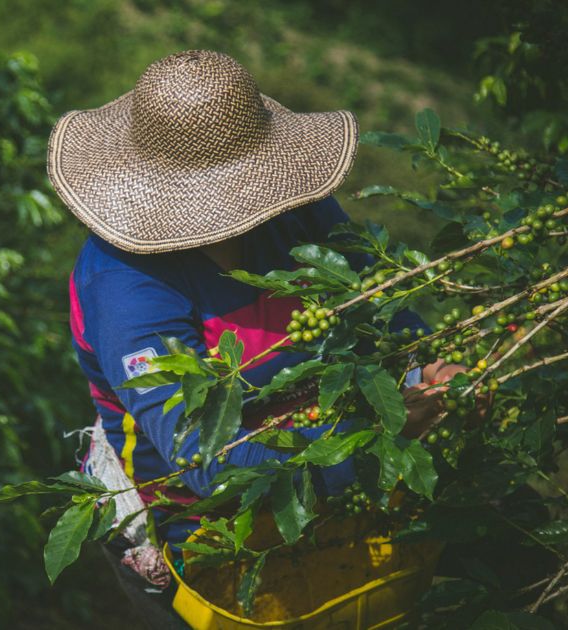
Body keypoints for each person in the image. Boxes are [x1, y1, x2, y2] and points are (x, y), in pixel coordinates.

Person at [46, 50, 467, 624]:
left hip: (336, 474)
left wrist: (430, 366)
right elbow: (208, 462)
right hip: (208, 532)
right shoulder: (127, 288)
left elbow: (376, 310)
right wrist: (373, 437)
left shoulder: (298, 213)